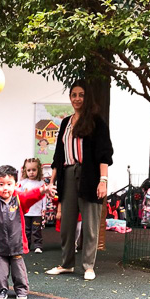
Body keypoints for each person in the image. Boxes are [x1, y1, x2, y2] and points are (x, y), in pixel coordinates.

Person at [46, 80, 113, 280]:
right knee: (66, 224)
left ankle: (88, 267)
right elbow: (58, 155)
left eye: (81, 95)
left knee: (90, 224)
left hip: (89, 176)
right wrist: (51, 182)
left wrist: (103, 181)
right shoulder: (66, 122)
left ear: (87, 97)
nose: (77, 99)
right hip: (67, 175)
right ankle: (66, 264)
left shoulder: (96, 121)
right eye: (74, 95)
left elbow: (104, 154)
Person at [0, 164, 47, 299]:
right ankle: (2, 290)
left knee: (19, 270)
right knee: (0, 272)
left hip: (16, 243)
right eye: (1, 184)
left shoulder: (19, 199)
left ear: (16, 185)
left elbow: (30, 196)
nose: (5, 188)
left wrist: (42, 190)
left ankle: (21, 290)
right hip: (0, 245)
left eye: (9, 184)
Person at [18, 158, 46, 253]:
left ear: (38, 170)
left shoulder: (41, 183)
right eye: (29, 170)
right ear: (25, 171)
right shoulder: (23, 183)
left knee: (36, 230)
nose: (31, 172)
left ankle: (38, 245)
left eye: (34, 170)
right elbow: (19, 195)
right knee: (26, 230)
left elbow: (44, 197)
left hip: (37, 212)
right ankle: (26, 246)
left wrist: (44, 208)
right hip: (26, 212)